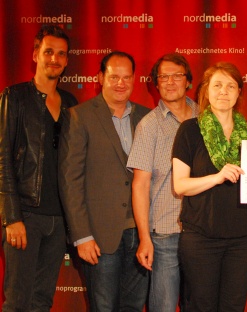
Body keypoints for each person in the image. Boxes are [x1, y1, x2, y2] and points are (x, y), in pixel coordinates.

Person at [58, 51, 150, 311]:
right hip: (99, 235)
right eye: (113, 77)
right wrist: (82, 235)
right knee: (103, 307)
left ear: (134, 80)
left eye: (126, 77)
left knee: (133, 306)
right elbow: (70, 180)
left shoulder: (147, 117)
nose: (120, 83)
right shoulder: (80, 116)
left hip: (140, 233)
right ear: (100, 78)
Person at [0, 25, 77, 311]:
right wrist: (11, 217)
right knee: (17, 302)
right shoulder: (15, 96)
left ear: (67, 61)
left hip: (58, 220)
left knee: (42, 301)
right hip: (26, 215)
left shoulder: (70, 103)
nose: (54, 59)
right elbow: (2, 158)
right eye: (48, 52)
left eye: (61, 54)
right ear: (35, 55)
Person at [172, 62, 247, 311]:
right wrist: (217, 177)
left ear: (239, 92)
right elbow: (180, 186)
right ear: (206, 91)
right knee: (202, 306)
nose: (224, 91)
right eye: (217, 85)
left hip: (243, 239)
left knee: (233, 306)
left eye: (231, 86)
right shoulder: (190, 130)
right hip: (201, 239)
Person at [127, 53, 199, 311]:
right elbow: (140, 185)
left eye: (177, 75)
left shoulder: (207, 118)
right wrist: (145, 238)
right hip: (166, 233)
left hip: (202, 232)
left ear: (188, 81)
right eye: (163, 77)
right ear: (155, 84)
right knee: (164, 307)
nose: (170, 82)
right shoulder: (149, 126)